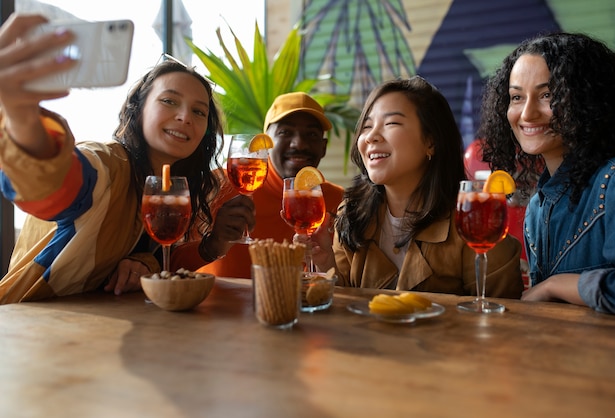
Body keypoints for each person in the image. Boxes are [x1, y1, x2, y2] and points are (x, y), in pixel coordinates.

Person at [0, 14, 253, 303]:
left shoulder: (172, 187)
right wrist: (23, 122)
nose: (185, 117)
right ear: (138, 109)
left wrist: (154, 259)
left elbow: (164, 262)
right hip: (20, 325)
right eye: (169, 101)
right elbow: (51, 184)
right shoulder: (107, 164)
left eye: (199, 112)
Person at [310, 76, 523, 296]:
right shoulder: (353, 213)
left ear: (430, 141)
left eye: (391, 123)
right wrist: (326, 263)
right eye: (367, 126)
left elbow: (502, 315)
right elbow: (343, 308)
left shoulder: (473, 221)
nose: (371, 136)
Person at [480, 32, 615, 315]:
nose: (527, 113)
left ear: (588, 99)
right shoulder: (538, 205)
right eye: (517, 97)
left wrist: (553, 285)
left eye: (548, 95)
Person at [197, 92, 344, 278]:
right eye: (285, 132)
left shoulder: (339, 202)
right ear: (265, 142)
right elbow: (176, 262)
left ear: (323, 147)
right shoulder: (215, 186)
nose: (299, 144)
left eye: (312, 134)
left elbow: (346, 284)